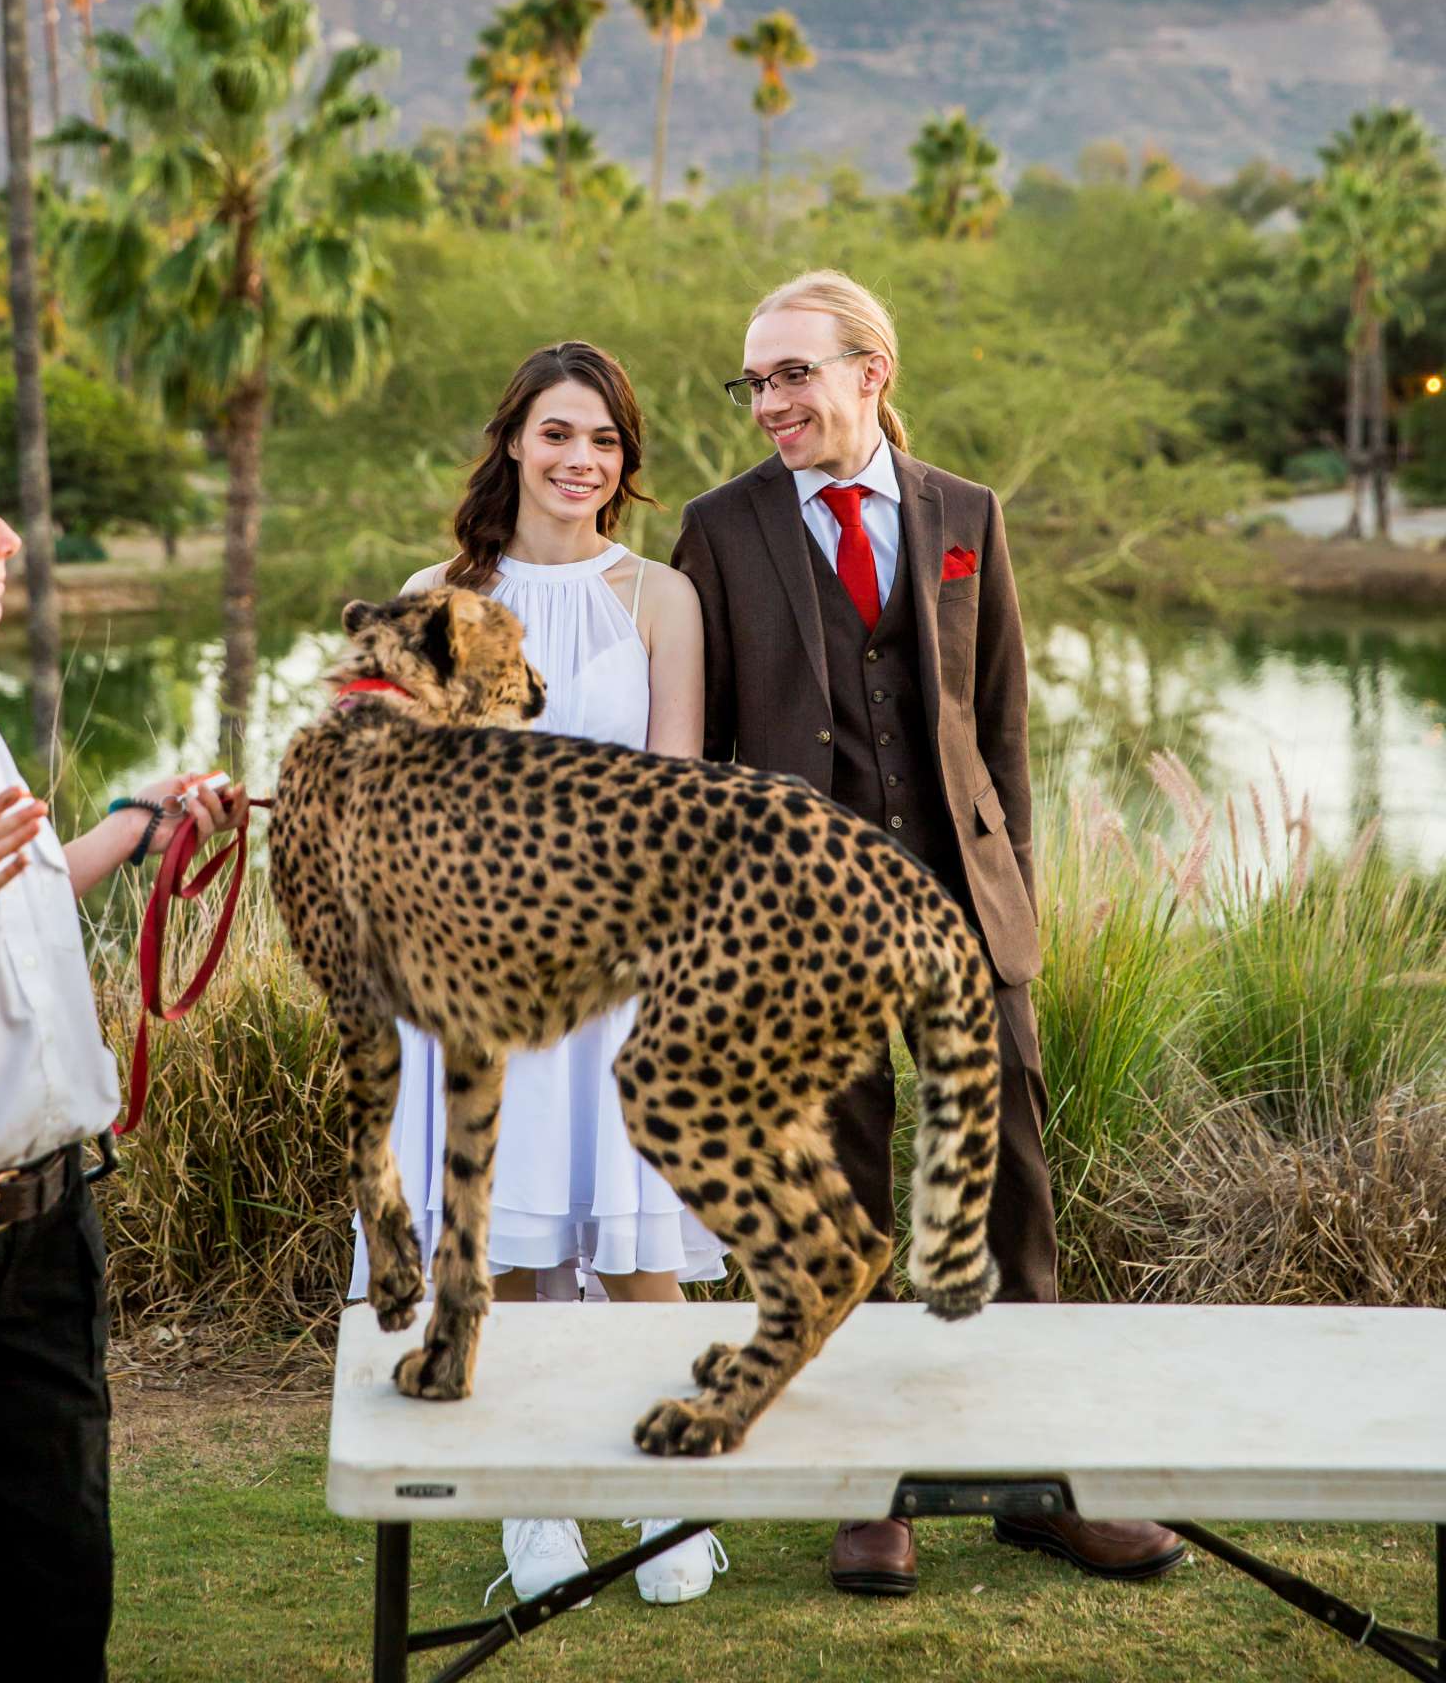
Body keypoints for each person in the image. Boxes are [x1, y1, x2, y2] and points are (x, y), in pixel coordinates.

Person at [672, 271, 1183, 1595]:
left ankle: (1040, 1484)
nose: (768, 403)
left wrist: (1009, 886)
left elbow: (998, 719)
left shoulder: (966, 515)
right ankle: (870, 1489)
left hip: (961, 900)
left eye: (791, 375)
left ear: (870, 373)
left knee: (1012, 1186)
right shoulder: (719, 531)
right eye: (754, 382)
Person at [0, 403, 246, 1683]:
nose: (11, 536)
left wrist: (136, 821)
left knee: (50, 1610)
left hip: (48, 1240)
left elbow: (3, 909)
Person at [346, 341, 728, 1610]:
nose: (582, 461)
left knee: (635, 1251)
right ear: (513, 439)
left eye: (607, 441)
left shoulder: (659, 597)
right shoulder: (430, 591)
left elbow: (674, 793)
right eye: (559, 434)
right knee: (505, 1241)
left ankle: (672, 1497)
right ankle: (535, 1508)